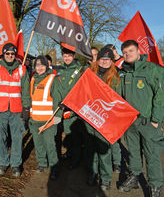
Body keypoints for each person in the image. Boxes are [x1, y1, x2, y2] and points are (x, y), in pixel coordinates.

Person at [118, 40, 164, 197]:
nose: (127, 54)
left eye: (130, 51)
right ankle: (134, 177)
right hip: (130, 122)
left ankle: (155, 186)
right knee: (134, 153)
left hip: (148, 122)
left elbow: (161, 95)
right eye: (124, 52)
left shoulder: (152, 69)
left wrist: (156, 119)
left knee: (152, 155)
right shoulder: (123, 72)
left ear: (138, 52)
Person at [0, 43, 31, 177]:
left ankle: (16, 164)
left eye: (12, 54)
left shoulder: (22, 70)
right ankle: (4, 162)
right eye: (7, 54)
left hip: (17, 110)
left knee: (17, 138)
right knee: (1, 137)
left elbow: (26, 91)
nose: (10, 56)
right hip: (0, 109)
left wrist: (26, 107)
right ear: (3, 55)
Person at [86, 47, 121, 191]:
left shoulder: (116, 77)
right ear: (98, 60)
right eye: (102, 59)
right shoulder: (89, 74)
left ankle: (106, 178)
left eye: (108, 59)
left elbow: (118, 100)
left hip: (105, 119)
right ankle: (93, 173)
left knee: (104, 150)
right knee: (91, 148)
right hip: (89, 116)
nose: (105, 62)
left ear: (112, 61)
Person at [29, 55, 64, 180]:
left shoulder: (52, 79)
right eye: (37, 65)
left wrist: (57, 117)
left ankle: (54, 168)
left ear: (47, 66)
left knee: (50, 145)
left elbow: (58, 99)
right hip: (34, 120)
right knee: (38, 145)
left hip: (48, 121)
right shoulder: (32, 78)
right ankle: (42, 163)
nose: (40, 68)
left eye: (42, 65)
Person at [54, 48, 85, 170]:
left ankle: (76, 159)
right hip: (61, 108)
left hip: (74, 109)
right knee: (67, 134)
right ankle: (70, 153)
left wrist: (71, 106)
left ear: (73, 56)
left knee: (74, 136)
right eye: (64, 56)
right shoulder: (60, 70)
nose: (66, 58)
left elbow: (82, 91)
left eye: (69, 56)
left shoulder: (80, 70)